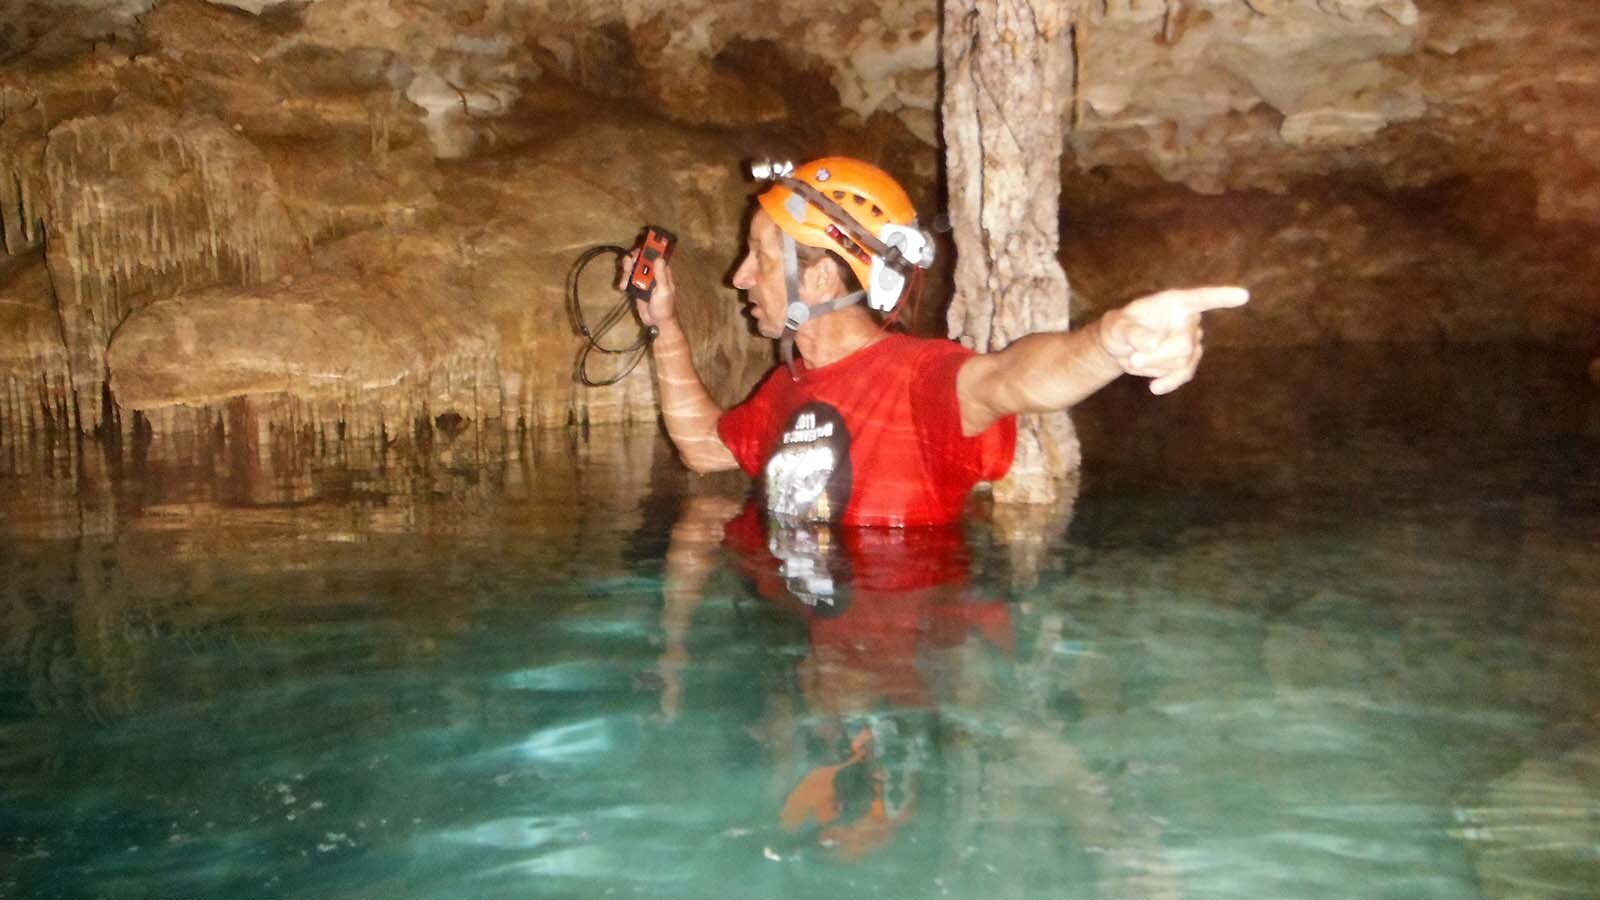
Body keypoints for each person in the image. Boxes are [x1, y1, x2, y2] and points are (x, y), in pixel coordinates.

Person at [628, 156, 1249, 527]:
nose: (738, 277)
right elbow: (702, 447)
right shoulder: (786, 387)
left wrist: (1112, 342)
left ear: (818, 276)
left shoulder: (919, 376)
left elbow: (1012, 378)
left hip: (885, 665)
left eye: (758, 257)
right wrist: (663, 323)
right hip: (788, 648)